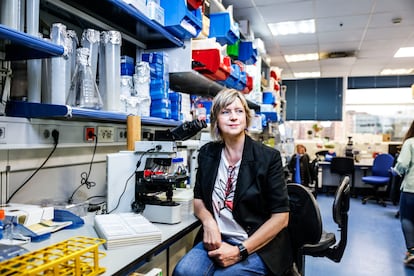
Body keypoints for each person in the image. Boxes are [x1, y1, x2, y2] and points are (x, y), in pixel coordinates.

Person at [173, 89, 293, 276]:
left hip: (257, 243)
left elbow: (281, 217)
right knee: (184, 271)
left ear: (246, 117)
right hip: (218, 239)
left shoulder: (268, 158)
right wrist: (209, 222)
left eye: (238, 111)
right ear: (216, 121)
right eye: (225, 112)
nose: (233, 117)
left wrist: (240, 251)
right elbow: (198, 200)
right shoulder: (207, 154)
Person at [392, 120, 414, 268]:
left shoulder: (410, 143)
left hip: (411, 189)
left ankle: (412, 252)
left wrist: (395, 171)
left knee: (407, 218)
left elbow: (402, 166)